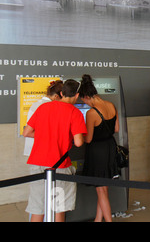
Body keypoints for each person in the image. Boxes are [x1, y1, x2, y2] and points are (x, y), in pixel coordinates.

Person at [23, 79, 86, 222]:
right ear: (76, 96)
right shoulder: (74, 112)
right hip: (59, 165)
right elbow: (78, 142)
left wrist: (45, 136)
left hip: (37, 163)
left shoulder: (43, 107)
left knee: (38, 208)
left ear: (62, 93)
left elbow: (27, 132)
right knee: (59, 208)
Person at [79, 74, 120, 222]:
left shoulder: (91, 113)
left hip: (97, 151)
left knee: (101, 190)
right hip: (110, 147)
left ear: (86, 97)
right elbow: (116, 129)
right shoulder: (111, 105)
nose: (85, 104)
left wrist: (77, 136)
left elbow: (88, 138)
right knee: (103, 188)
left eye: (83, 100)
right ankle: (98, 219)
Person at [24, 80, 63, 157]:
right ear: (56, 96)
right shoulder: (47, 106)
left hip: (36, 149)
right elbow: (28, 132)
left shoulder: (37, 104)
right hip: (42, 149)